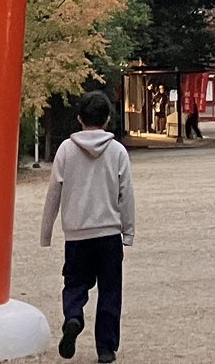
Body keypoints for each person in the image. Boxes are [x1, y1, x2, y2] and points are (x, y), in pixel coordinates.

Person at [40, 91, 135, 364]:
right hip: (108, 233)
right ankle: (106, 348)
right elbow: (126, 193)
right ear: (107, 119)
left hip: (77, 233)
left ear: (79, 117)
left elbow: (53, 194)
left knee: (74, 283)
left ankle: (73, 317)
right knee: (110, 291)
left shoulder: (66, 151)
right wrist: (128, 230)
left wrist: (46, 233)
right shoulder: (117, 151)